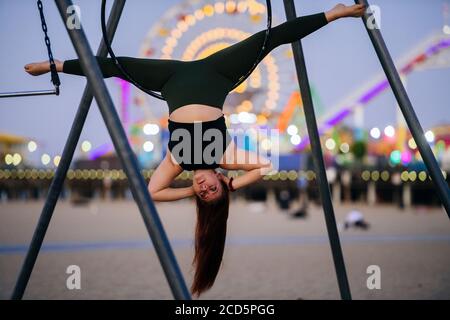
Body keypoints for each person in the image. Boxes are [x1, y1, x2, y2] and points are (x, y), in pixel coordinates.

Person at [25, 3, 366, 297]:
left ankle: (55, 64)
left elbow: (151, 193)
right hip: (218, 73)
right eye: (213, 189)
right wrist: (233, 185)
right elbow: (263, 166)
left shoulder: (178, 161)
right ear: (220, 179)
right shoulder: (224, 156)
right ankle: (334, 13)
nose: (205, 188)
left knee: (116, 67)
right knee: (270, 38)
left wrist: (189, 190)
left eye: (204, 195)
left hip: (172, 79)